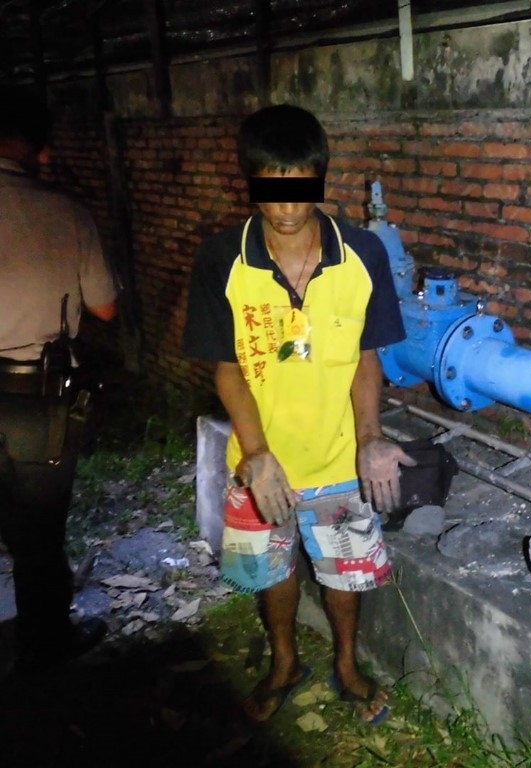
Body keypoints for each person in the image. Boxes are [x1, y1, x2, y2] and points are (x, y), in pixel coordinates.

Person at [183, 104, 412, 725]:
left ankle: (347, 665)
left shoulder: (363, 252)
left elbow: (366, 354)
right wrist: (257, 454)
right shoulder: (220, 258)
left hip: (338, 458)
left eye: (300, 186)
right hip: (263, 464)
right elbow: (227, 367)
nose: (286, 206)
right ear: (249, 181)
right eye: (270, 187)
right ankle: (284, 664)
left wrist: (371, 437)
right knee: (272, 575)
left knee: (344, 576)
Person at [0, 86, 118, 677]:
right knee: (40, 528)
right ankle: (44, 643)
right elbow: (105, 308)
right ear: (29, 144)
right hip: (36, 397)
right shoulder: (65, 212)